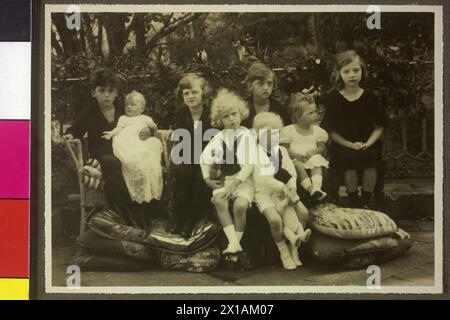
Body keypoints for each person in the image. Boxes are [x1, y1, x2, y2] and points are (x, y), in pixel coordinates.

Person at [321, 50, 387, 208]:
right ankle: (353, 201)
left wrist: (368, 143)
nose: (352, 75)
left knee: (371, 160)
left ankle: (365, 201)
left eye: (356, 70)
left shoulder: (370, 97)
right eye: (346, 71)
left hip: (368, 144)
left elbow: (379, 127)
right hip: (343, 146)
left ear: (362, 72)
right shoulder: (335, 99)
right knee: (347, 160)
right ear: (339, 74)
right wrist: (349, 144)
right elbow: (331, 131)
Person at [253, 112, 311, 270]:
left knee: (304, 213)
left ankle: (294, 248)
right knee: (275, 220)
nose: (271, 136)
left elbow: (291, 172)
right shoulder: (256, 153)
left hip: (285, 191)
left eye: (275, 132)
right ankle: (284, 252)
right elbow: (262, 177)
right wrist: (282, 187)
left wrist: (291, 188)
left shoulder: (282, 151)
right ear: (258, 134)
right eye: (266, 133)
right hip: (265, 194)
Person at [200, 88, 255, 255]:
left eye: (234, 114)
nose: (231, 119)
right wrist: (207, 179)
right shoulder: (218, 138)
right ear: (220, 120)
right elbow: (204, 159)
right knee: (218, 200)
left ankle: (234, 243)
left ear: (241, 114)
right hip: (226, 180)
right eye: (226, 116)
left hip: (243, 181)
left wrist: (236, 185)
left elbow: (249, 165)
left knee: (240, 206)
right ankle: (234, 244)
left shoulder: (247, 135)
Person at [170, 74, 215, 238]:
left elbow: (215, 142)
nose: (190, 97)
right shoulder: (181, 114)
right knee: (182, 173)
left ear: (203, 93)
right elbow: (179, 140)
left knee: (199, 177)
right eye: (186, 94)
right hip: (188, 158)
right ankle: (180, 218)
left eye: (194, 92)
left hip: (208, 160)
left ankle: (191, 220)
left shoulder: (211, 114)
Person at [102, 90, 163, 205]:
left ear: (142, 108)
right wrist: (110, 134)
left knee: (147, 152)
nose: (128, 107)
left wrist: (152, 130)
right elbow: (118, 128)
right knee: (129, 158)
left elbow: (155, 129)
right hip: (127, 143)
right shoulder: (123, 118)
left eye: (133, 104)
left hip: (141, 142)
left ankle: (147, 197)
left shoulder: (145, 118)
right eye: (126, 105)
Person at [281, 93, 329, 200]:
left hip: (310, 159)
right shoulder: (288, 131)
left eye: (315, 112)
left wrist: (315, 151)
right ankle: (309, 188)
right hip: (294, 160)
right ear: (298, 116)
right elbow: (284, 149)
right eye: (311, 113)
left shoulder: (318, 131)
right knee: (298, 166)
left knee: (316, 160)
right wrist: (296, 155)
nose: (315, 115)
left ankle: (317, 187)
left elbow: (322, 148)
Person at [241, 62, 290, 128]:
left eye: (269, 83)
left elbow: (285, 133)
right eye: (260, 84)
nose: (266, 88)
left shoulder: (278, 108)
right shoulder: (243, 107)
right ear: (250, 85)